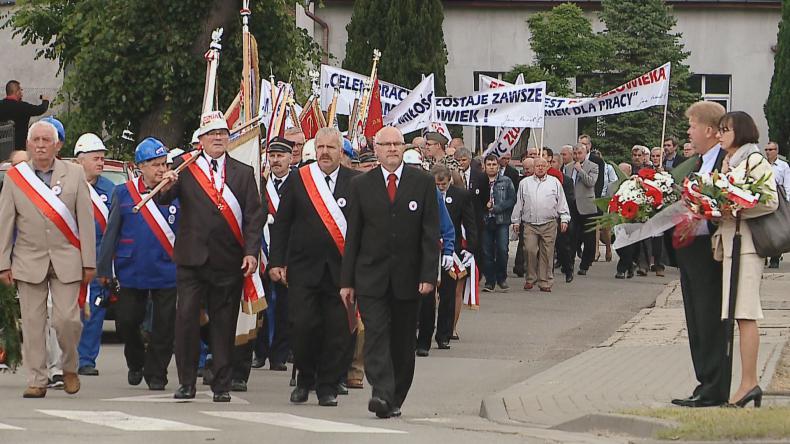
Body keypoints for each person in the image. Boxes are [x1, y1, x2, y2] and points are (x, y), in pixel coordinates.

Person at [158, 111, 265, 403]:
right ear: (201, 139)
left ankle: (221, 384)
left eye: (222, 133)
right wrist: (166, 183)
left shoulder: (243, 172)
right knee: (187, 320)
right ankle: (187, 383)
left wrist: (252, 252)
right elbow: (163, 198)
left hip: (228, 260)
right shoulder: (185, 166)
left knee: (223, 324)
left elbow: (255, 216)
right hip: (192, 259)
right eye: (212, 134)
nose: (218, 138)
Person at [340, 126, 440, 419]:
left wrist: (428, 275)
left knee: (402, 341)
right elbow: (353, 236)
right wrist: (347, 281)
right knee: (376, 334)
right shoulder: (361, 184)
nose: (393, 149)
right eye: (386, 144)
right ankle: (381, 392)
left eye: (397, 144)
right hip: (371, 276)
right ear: (377, 148)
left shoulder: (422, 182)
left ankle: (395, 396)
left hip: (409, 278)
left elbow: (429, 233)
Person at [0, 120, 95, 398]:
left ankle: (69, 367)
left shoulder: (75, 174)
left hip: (67, 259)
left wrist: (89, 261)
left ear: (57, 145)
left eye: (46, 140)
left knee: (67, 321)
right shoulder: (17, 178)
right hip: (28, 260)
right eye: (36, 140)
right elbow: (5, 222)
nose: (41, 145)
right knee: (32, 323)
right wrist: (3, 263)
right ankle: (38, 379)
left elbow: (85, 222)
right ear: (28, 145)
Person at [268, 128, 359, 407]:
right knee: (303, 327)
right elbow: (282, 224)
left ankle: (327, 386)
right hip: (303, 270)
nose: (324, 153)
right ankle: (305, 378)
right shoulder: (300, 180)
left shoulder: (355, 182)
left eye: (331, 148)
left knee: (336, 332)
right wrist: (276, 262)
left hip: (341, 272)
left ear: (341, 153)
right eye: (320, 147)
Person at [97, 137, 178, 391]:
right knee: (127, 321)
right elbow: (112, 233)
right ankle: (136, 361)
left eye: (164, 164)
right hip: (132, 268)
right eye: (155, 164)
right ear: (139, 166)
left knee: (164, 325)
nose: (161, 170)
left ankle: (157, 372)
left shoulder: (175, 190)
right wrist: (103, 270)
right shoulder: (123, 193)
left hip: (167, 267)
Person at [714, 111, 777, 407]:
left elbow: (769, 200)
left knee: (746, 313)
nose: (719, 135)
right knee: (738, 315)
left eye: (724, 130)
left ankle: (750, 382)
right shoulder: (729, 162)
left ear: (739, 131)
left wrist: (735, 209)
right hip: (730, 244)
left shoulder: (755, 161)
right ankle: (746, 383)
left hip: (748, 246)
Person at [671, 101, 729, 408]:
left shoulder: (725, 161)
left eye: (693, 126)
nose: (689, 131)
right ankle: (703, 380)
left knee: (711, 319)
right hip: (689, 250)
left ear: (709, 130)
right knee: (695, 319)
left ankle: (716, 386)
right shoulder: (694, 164)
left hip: (712, 253)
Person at [74, 133, 115, 377]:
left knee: (96, 309)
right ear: (80, 161)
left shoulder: (110, 189)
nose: (101, 163)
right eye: (96, 158)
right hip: (71, 258)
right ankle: (67, 356)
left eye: (102, 158)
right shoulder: (67, 184)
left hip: (100, 260)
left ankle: (87, 359)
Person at [253, 137, 294, 372]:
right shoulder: (260, 183)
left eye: (281, 156)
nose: (276, 160)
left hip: (287, 253)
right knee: (262, 305)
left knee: (284, 308)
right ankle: (260, 351)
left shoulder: (298, 182)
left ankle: (279, 354)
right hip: (262, 252)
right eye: (273, 155)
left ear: (290, 157)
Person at [511, 158, 569, 292]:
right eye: (537, 166)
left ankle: (545, 281)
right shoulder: (524, 183)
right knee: (529, 250)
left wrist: (564, 219)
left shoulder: (554, 183)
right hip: (530, 223)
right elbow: (519, 203)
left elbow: (562, 202)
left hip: (549, 223)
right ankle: (530, 278)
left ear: (548, 166)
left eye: (543, 165)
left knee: (547, 253)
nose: (540, 168)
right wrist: (515, 221)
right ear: (533, 167)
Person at [481, 154, 516, 291]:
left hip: (501, 220)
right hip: (485, 220)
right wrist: (484, 206)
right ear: (484, 166)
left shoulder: (506, 181)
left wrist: (497, 208)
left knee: (502, 249)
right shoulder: (480, 180)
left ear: (498, 165)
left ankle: (501, 277)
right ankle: (490, 280)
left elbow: (511, 199)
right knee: (486, 251)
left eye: (494, 164)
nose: (491, 167)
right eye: (489, 164)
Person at [564, 143, 598, 276]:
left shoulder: (593, 166)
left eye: (580, 153)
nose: (577, 156)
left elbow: (591, 182)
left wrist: (580, 170)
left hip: (587, 206)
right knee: (571, 236)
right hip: (571, 205)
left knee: (589, 238)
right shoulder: (567, 167)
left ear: (585, 153)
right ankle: (569, 263)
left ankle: (585, 264)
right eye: (575, 154)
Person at [0, 80, 50, 150]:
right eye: (21, 90)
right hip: (19, 148)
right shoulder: (23, 107)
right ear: (17, 92)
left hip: (2, 148)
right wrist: (45, 100)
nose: (22, 94)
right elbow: (40, 109)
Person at [764, 141, 789, 268]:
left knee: (777, 229)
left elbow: (787, 184)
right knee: (765, 228)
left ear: (776, 151)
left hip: (778, 197)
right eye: (766, 150)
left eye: (771, 149)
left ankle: (775, 257)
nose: (768, 152)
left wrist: (787, 201)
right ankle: (764, 255)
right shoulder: (761, 165)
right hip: (765, 198)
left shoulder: (783, 166)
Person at [552, 153, 575, 282]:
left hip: (561, 217)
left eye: (554, 162)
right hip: (547, 218)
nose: (552, 164)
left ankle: (568, 269)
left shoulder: (566, 180)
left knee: (562, 247)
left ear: (560, 164)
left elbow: (570, 199)